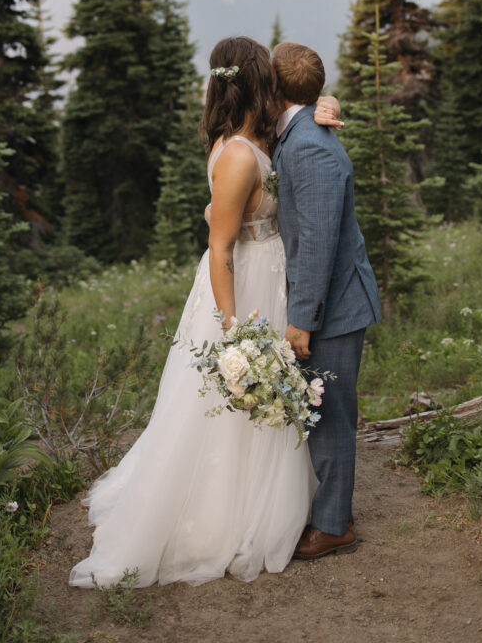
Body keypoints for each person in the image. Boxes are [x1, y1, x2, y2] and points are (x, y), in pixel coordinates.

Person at [69, 36, 341, 589]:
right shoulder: (238, 155)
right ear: (253, 82)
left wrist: (324, 109)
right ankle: (225, 514)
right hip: (242, 287)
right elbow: (220, 250)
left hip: (270, 276)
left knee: (259, 403)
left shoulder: (250, 136)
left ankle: (267, 495)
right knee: (234, 399)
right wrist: (233, 330)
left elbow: (296, 130)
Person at [271, 41, 381, 560]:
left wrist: (301, 321)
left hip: (333, 304)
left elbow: (317, 243)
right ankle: (332, 510)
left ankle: (335, 524)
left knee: (330, 413)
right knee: (322, 410)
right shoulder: (301, 130)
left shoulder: (309, 145)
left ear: (275, 89)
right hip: (330, 300)